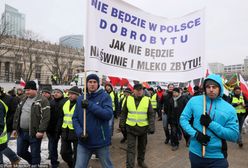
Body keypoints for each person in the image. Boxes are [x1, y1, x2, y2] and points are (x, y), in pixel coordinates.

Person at [180, 74, 239, 168]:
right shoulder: (193, 101)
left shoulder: (229, 109)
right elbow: (183, 119)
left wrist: (211, 124)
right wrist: (195, 134)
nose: (211, 89)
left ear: (220, 88)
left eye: (214, 87)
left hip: (217, 157)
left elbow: (234, 136)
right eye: (208, 86)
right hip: (195, 154)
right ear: (204, 88)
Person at [73, 74, 113, 168]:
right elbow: (75, 118)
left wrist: (90, 105)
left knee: (107, 166)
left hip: (101, 141)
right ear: (86, 84)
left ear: (98, 84)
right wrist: (80, 132)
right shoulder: (80, 99)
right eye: (90, 82)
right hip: (84, 142)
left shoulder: (105, 97)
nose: (92, 84)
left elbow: (108, 115)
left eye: (94, 82)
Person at [12, 81, 50, 167]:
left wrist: (41, 130)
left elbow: (46, 117)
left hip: (34, 132)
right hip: (21, 132)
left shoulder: (42, 100)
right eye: (26, 90)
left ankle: (35, 164)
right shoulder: (23, 99)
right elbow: (17, 113)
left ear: (34, 90)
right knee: (20, 151)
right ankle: (33, 162)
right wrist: (15, 128)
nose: (26, 92)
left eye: (28, 90)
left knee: (35, 152)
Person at [120, 83, 155, 168]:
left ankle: (140, 161)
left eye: (141, 90)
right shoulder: (128, 99)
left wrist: (151, 126)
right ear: (134, 91)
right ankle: (130, 165)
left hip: (143, 128)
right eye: (137, 90)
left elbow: (151, 114)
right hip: (131, 127)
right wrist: (122, 124)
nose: (139, 92)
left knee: (142, 147)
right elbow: (124, 113)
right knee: (130, 148)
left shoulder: (147, 99)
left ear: (143, 91)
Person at [59, 86, 80, 168]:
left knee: (77, 154)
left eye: (72, 94)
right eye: (69, 94)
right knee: (63, 153)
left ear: (77, 95)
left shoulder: (81, 103)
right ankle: (71, 164)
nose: (70, 96)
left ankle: (75, 165)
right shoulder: (66, 103)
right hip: (65, 131)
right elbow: (62, 116)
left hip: (76, 131)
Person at [0, 87, 20, 166]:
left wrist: (10, 125)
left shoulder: (10, 99)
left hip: (7, 126)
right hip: (2, 125)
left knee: (2, 146)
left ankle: (14, 158)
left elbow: (15, 113)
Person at [47, 88, 67, 168]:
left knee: (64, 149)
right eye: (54, 92)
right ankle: (54, 163)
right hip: (52, 129)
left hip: (63, 128)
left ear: (62, 94)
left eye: (58, 92)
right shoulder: (50, 102)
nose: (56, 94)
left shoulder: (65, 102)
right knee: (52, 147)